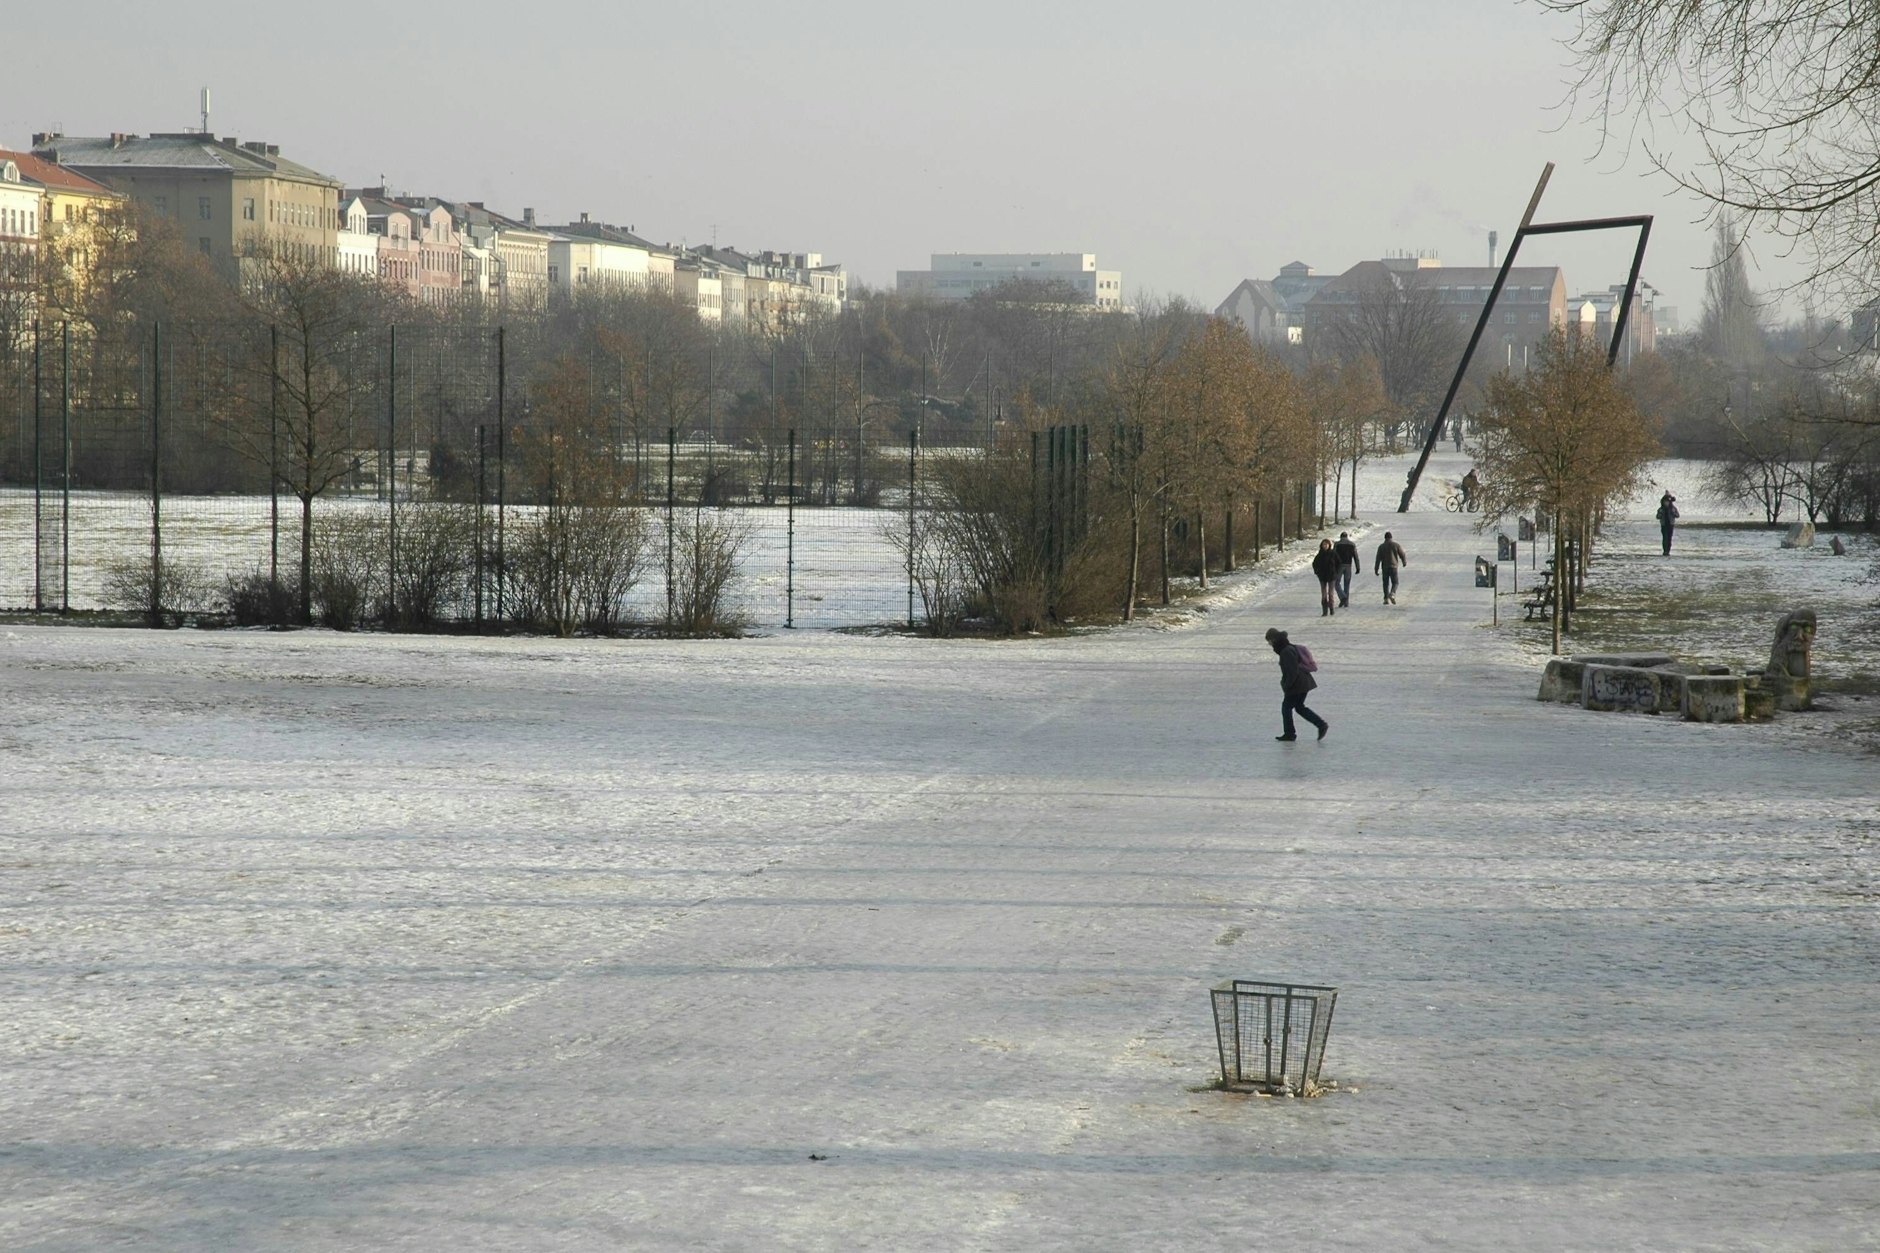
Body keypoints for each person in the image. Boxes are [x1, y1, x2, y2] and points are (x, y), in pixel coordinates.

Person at [1265, 627, 1328, 741]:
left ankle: (1290, 733)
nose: (1269, 644)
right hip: (1303, 682)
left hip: (1297, 683)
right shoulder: (1288, 648)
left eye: (1269, 641)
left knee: (1286, 708)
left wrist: (1287, 685)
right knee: (1299, 707)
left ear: (1274, 640)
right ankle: (1321, 725)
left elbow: (1292, 671)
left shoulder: (1286, 651)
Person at [1374, 531, 1407, 604]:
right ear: (1391, 537)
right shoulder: (1396, 545)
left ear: (1385, 538)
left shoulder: (1381, 547)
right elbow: (1402, 554)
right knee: (1395, 582)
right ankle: (1392, 593)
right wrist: (1404, 562)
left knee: (1385, 583)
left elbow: (1378, 559)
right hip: (1393, 566)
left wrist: (1376, 569)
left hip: (1385, 567)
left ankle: (1386, 599)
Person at [1332, 531, 1361, 608]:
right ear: (1347, 536)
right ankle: (1346, 602)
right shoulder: (1352, 544)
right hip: (1348, 566)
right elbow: (1356, 557)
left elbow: (1333, 556)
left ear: (1340, 537)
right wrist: (1358, 567)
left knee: (1336, 583)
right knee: (1347, 584)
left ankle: (1342, 597)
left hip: (1339, 566)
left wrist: (1333, 567)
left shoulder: (1337, 544)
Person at [1311, 538, 1339, 616]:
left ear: (1329, 545)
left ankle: (1331, 608)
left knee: (1331, 593)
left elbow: (1338, 563)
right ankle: (1324, 610)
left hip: (1331, 576)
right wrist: (1317, 572)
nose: (1325, 546)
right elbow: (1314, 564)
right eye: (1323, 545)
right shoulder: (1319, 555)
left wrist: (1336, 572)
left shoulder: (1333, 553)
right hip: (1322, 576)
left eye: (1326, 544)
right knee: (1323, 594)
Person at [1656, 491, 1679, 556]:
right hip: (1664, 525)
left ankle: (1668, 550)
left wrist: (1673, 513)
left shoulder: (1673, 508)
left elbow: (1677, 515)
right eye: (1665, 502)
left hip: (1670, 525)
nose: (1666, 503)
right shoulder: (1661, 509)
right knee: (1665, 537)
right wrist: (1660, 514)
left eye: (1667, 502)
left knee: (1669, 538)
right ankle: (1665, 550)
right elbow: (1657, 516)